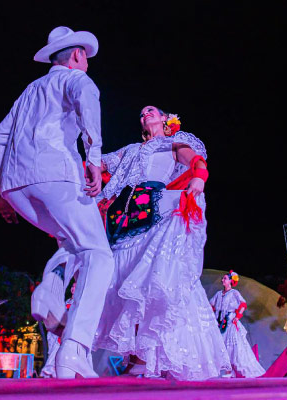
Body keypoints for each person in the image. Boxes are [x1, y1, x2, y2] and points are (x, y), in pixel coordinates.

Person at [0, 26, 114, 378]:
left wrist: (2, 191)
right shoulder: (77, 80)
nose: (86, 62)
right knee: (99, 255)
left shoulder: (29, 91)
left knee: (72, 243)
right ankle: (73, 348)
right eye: (85, 57)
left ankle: (49, 294)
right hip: (55, 173)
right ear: (77, 55)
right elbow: (88, 106)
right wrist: (93, 157)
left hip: (17, 185)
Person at [94, 106, 230, 380]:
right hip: (129, 218)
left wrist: (198, 181)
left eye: (151, 110)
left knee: (155, 281)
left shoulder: (174, 144)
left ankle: (157, 356)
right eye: (142, 112)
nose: (145, 112)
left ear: (167, 120)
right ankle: (137, 357)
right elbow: (100, 164)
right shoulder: (130, 150)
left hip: (160, 212)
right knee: (125, 285)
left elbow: (197, 163)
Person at [209, 271, 266, 378]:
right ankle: (227, 371)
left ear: (230, 281)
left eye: (225, 278)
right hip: (220, 323)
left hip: (230, 322)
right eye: (223, 278)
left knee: (233, 347)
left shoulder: (234, 293)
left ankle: (233, 370)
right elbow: (211, 305)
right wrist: (212, 316)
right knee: (222, 346)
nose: (222, 280)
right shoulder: (218, 294)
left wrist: (237, 316)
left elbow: (243, 304)